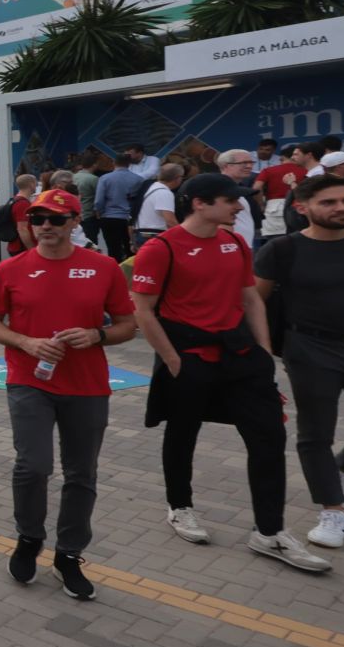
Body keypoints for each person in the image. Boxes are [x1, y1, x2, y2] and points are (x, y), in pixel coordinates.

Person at [131, 174, 329, 572]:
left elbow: (250, 299)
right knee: (182, 432)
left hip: (240, 356)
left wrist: (262, 352)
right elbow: (144, 310)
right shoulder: (161, 248)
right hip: (188, 357)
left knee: (269, 436)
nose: (240, 206)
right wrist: (172, 360)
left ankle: (269, 532)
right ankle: (180, 506)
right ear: (200, 204)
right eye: (230, 200)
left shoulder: (234, 241)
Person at [0, 189, 138, 600]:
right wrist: (26, 343)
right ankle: (29, 537)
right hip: (29, 381)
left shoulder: (102, 268)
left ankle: (68, 555)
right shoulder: (10, 270)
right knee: (33, 466)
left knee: (82, 473)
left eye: (55, 218)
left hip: (87, 386)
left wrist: (96, 334)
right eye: (38, 218)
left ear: (74, 222)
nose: (45, 225)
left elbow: (127, 325)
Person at [256, 173, 344, 548]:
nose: (341, 208)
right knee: (316, 433)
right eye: (328, 202)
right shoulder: (283, 250)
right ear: (303, 208)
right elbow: (253, 302)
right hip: (312, 350)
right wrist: (261, 352)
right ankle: (333, 511)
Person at [135, 163, 181, 245]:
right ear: (177, 178)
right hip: (154, 237)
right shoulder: (164, 193)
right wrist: (184, 235)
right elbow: (170, 220)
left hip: (144, 235)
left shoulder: (153, 188)